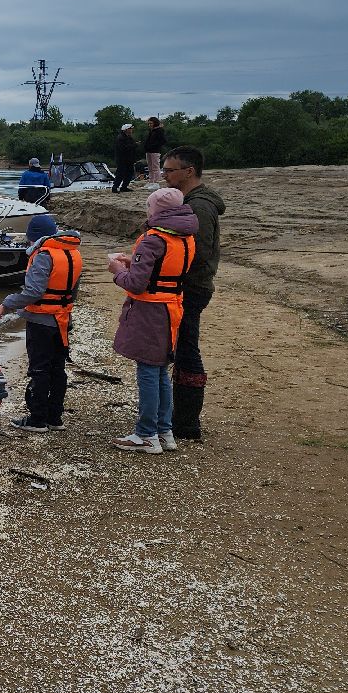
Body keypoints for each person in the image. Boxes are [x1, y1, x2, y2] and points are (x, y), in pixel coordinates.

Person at [107, 186, 198, 454]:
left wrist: (117, 271)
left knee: (148, 371)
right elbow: (162, 272)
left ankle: (146, 434)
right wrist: (133, 262)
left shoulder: (153, 239)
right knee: (160, 372)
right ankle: (164, 431)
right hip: (172, 308)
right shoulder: (186, 236)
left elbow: (135, 285)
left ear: (156, 211)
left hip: (150, 311)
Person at [161, 146, 226, 441]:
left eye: (169, 170)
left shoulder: (199, 206)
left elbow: (197, 252)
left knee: (187, 350)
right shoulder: (191, 201)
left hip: (192, 288)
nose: (164, 175)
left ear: (189, 172)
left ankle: (187, 424)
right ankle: (179, 416)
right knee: (180, 348)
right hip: (188, 286)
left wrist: (161, 264)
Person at [0, 213, 83, 432]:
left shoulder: (43, 254)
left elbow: (33, 292)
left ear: (33, 236)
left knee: (39, 369)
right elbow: (72, 293)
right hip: (62, 320)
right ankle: (55, 418)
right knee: (57, 368)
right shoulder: (72, 254)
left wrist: (7, 303)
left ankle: (36, 419)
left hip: (42, 322)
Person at [112, 122, 138, 193]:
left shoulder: (129, 137)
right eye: (129, 129)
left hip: (129, 159)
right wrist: (134, 145)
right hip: (122, 159)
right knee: (120, 173)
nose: (131, 130)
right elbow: (124, 148)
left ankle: (124, 186)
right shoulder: (121, 138)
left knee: (129, 173)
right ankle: (115, 187)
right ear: (125, 130)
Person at [143, 117, 166, 184]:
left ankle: (156, 182)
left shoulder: (159, 131)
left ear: (154, 123)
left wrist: (154, 145)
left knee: (155, 167)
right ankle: (151, 181)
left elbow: (163, 141)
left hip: (155, 151)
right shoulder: (151, 131)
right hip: (148, 151)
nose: (149, 125)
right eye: (149, 123)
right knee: (150, 167)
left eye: (151, 123)